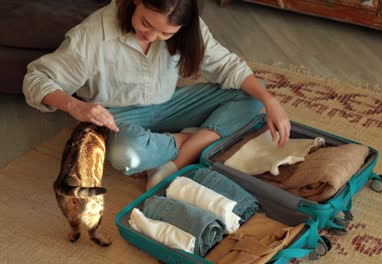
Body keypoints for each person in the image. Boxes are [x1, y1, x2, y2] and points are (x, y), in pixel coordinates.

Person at [23, 0, 291, 190]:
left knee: (254, 95)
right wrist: (75, 105)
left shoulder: (189, 26)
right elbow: (36, 79)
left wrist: (270, 102)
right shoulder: (91, 36)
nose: (152, 36)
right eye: (145, 23)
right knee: (127, 155)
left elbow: (228, 67)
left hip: (171, 104)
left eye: (166, 33)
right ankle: (205, 137)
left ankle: (186, 150)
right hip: (116, 118)